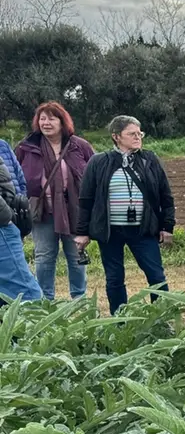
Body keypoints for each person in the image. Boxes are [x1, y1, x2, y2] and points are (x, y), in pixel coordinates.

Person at [75, 116, 175, 315]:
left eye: (140, 133)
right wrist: (82, 232)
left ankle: (161, 318)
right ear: (116, 137)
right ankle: (119, 321)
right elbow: (86, 200)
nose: (138, 137)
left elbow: (166, 196)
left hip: (143, 229)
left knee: (156, 275)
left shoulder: (150, 159)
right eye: (132, 134)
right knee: (114, 278)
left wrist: (167, 226)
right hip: (110, 231)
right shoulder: (98, 162)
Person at [15, 101, 95, 301]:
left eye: (51, 118)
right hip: (41, 212)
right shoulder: (27, 147)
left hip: (74, 210)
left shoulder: (80, 146)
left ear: (62, 121)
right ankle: (45, 301)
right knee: (43, 257)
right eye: (42, 118)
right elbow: (15, 176)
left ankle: (79, 300)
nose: (46, 123)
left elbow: (95, 175)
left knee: (76, 257)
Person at [0, 161, 41, 303]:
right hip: (2, 224)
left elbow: (19, 179)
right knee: (26, 297)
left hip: (8, 215)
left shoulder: (3, 145)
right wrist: (6, 216)